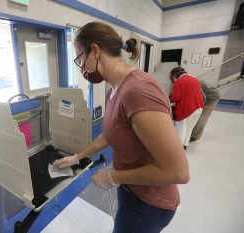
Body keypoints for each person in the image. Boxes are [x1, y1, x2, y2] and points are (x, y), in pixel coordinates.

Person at [53, 22, 189, 233]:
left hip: (149, 203)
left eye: (80, 58)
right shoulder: (114, 90)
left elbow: (178, 172)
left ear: (95, 50)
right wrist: (77, 157)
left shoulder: (138, 90)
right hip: (131, 190)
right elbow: (110, 135)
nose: (81, 68)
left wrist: (113, 176)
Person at [169, 67, 204, 149]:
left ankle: (178, 148)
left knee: (181, 128)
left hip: (186, 109)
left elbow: (176, 98)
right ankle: (185, 145)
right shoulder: (195, 79)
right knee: (189, 127)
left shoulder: (178, 82)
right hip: (199, 107)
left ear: (174, 75)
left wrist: (169, 100)